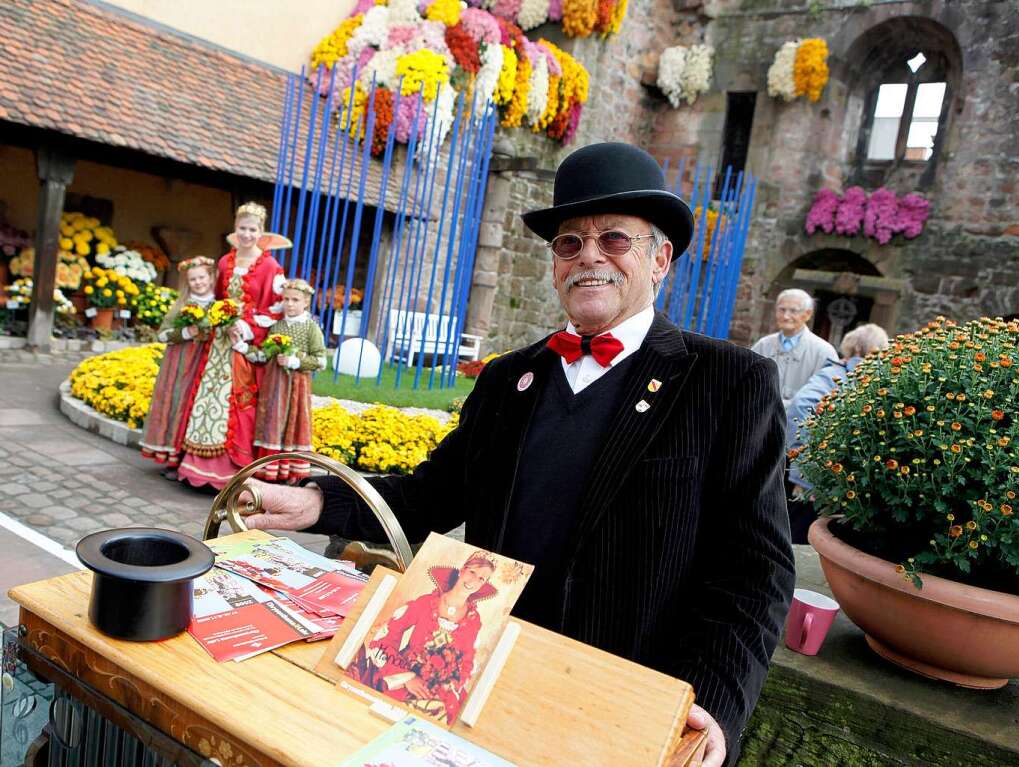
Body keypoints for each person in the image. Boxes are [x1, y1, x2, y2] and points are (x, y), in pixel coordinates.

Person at [242, 143, 794, 767]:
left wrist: (713, 705)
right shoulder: (511, 378)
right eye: (569, 243)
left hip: (620, 705)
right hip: (477, 681)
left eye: (613, 239)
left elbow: (755, 572)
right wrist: (315, 499)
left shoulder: (729, 382)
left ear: (658, 258)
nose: (589, 257)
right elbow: (431, 494)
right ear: (555, 264)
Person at [178, 202, 286, 489]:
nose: (247, 234)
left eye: (253, 229)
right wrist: (218, 318)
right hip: (219, 341)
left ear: (261, 231)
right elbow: (215, 297)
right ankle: (196, 467)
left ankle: (230, 470)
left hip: (243, 342)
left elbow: (274, 308)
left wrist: (247, 328)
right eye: (242, 228)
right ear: (235, 229)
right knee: (208, 396)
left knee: (237, 401)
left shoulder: (271, 267)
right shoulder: (225, 261)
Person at [353, 551, 496, 725]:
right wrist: (407, 677)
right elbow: (384, 638)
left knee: (444, 716)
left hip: (441, 686)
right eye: (472, 572)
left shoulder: (473, 620)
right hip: (405, 674)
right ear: (462, 570)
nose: (474, 580)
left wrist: (448, 684)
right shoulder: (426, 603)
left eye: (482, 579)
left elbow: (467, 660)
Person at [785, 323, 889, 543]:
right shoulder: (843, 376)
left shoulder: (841, 374)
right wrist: (807, 471)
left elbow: (800, 407)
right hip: (821, 481)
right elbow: (803, 406)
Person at [139, 256, 217, 478]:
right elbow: (162, 334)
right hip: (180, 364)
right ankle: (173, 458)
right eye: (193, 279)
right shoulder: (182, 305)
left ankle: (193, 460)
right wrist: (185, 333)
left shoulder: (217, 305)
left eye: (202, 277)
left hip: (206, 363)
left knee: (197, 409)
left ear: (211, 277)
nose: (198, 282)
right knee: (178, 405)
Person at [250, 278, 327, 483]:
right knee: (273, 421)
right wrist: (244, 349)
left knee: (294, 422)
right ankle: (270, 469)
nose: (290, 304)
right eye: (286, 299)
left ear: (306, 303)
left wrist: (295, 360)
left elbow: (321, 361)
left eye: (295, 300)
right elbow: (265, 354)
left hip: (297, 386)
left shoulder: (310, 328)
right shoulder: (277, 326)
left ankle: (292, 471)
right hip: (274, 385)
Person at [751, 289, 837, 408]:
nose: (786, 316)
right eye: (782, 309)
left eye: (793, 311)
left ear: (807, 314)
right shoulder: (763, 345)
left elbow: (827, 396)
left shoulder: (824, 352)